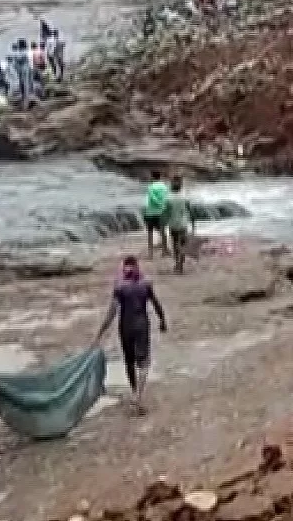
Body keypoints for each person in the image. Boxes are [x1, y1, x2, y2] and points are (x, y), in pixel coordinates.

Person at [93, 256, 166, 414]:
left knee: (129, 362)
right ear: (137, 267)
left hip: (125, 326)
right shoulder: (145, 283)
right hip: (141, 326)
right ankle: (138, 397)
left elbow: (111, 312)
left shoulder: (120, 287)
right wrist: (162, 319)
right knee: (144, 363)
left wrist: (101, 331)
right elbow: (156, 303)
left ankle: (134, 392)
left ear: (124, 268)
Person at [165, 176, 196, 274]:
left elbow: (166, 213)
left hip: (173, 224)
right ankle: (181, 264)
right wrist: (193, 223)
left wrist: (163, 224)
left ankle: (177, 263)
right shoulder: (185, 197)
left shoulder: (168, 198)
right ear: (181, 186)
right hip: (183, 224)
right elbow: (190, 210)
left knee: (175, 244)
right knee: (183, 245)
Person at [142, 171, 170, 259]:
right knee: (162, 232)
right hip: (161, 212)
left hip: (150, 212)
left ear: (152, 177)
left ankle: (150, 254)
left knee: (150, 233)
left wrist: (158, 203)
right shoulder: (164, 187)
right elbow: (167, 198)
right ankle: (164, 251)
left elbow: (152, 198)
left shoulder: (151, 187)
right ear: (160, 177)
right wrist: (162, 206)